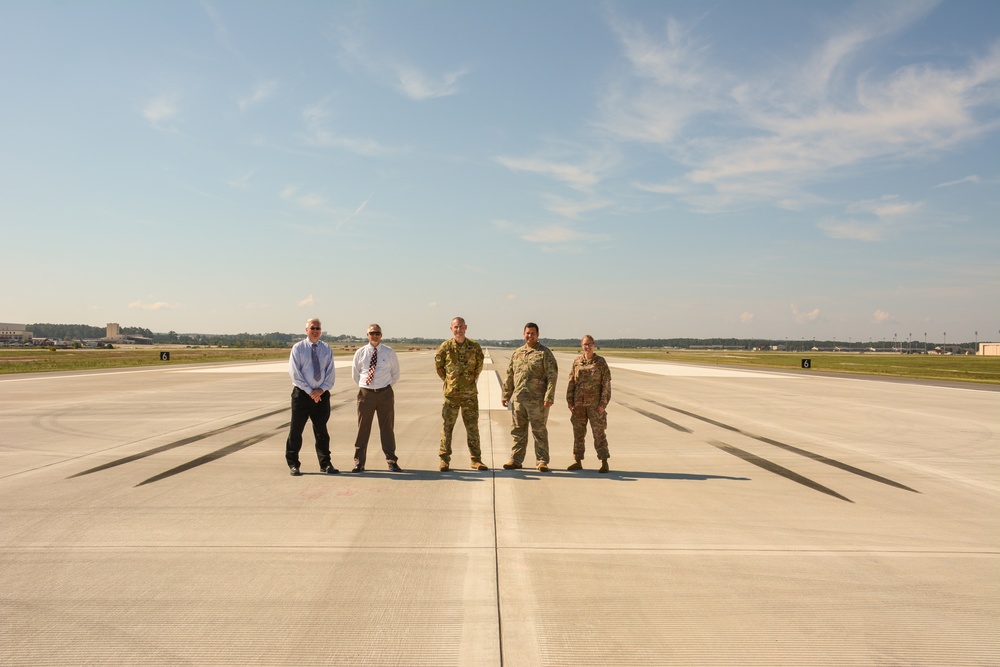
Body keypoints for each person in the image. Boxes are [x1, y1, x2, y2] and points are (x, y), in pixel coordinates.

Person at [501, 322, 558, 471]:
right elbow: (510, 375)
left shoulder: (544, 353)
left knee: (539, 431)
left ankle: (541, 461)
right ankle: (515, 460)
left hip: (537, 401)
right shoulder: (517, 353)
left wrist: (549, 396)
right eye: (527, 333)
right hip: (519, 400)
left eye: (532, 333)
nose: (530, 335)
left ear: (538, 335)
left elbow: (552, 376)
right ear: (523, 334)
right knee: (518, 431)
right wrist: (506, 394)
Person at [285, 318, 338, 476]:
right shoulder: (298, 348)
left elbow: (330, 373)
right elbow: (295, 373)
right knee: (296, 431)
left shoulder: (326, 348)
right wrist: (310, 391)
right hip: (302, 395)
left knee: (322, 432)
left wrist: (321, 390)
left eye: (318, 328)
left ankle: (325, 464)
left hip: (321, 395)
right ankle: (293, 464)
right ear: (306, 330)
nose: (316, 331)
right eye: (313, 328)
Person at [435, 317, 488, 471]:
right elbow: (439, 367)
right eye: (456, 327)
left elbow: (478, 367)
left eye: (461, 327)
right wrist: (449, 381)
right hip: (451, 396)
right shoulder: (445, 347)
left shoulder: (474, 347)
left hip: (469, 396)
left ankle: (476, 460)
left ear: (466, 328)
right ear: (451, 329)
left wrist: (468, 382)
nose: (459, 330)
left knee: (472, 428)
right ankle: (444, 460)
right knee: (447, 428)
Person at [351, 324, 402, 473]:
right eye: (372, 333)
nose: (374, 336)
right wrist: (366, 387)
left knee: (387, 428)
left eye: (377, 333)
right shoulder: (360, 353)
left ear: (381, 335)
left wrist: (383, 386)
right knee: (363, 428)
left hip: (385, 393)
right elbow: (356, 374)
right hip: (366, 394)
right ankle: (359, 462)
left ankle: (391, 460)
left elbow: (396, 374)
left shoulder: (389, 352)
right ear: (367, 335)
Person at [566, 335, 612, 473]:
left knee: (599, 433)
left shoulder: (600, 362)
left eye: (589, 344)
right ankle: (577, 461)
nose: (587, 346)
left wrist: (603, 404)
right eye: (585, 344)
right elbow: (571, 382)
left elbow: (606, 384)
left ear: (594, 344)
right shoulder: (577, 362)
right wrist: (570, 401)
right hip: (579, 404)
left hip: (595, 405)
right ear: (581, 346)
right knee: (578, 433)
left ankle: (604, 461)